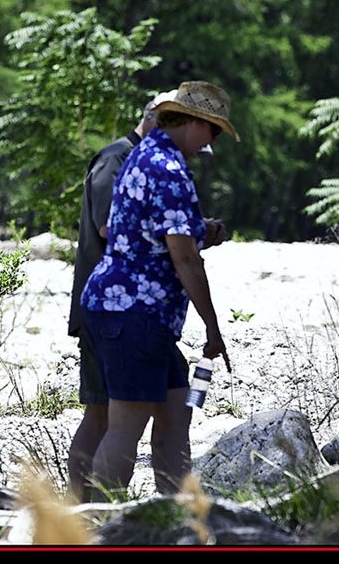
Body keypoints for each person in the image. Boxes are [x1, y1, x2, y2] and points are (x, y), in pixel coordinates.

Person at [80, 81, 239, 498]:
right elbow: (184, 258)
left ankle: (177, 514)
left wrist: (200, 233)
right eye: (214, 131)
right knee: (124, 426)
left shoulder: (144, 156)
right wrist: (212, 327)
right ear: (194, 122)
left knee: (174, 413)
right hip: (135, 312)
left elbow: (153, 233)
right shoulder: (168, 170)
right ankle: (94, 526)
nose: (212, 142)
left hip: (133, 311)